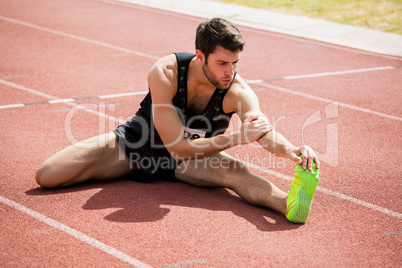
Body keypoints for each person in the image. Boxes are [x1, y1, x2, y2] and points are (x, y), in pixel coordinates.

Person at [36, 18, 320, 223]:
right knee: (48, 175)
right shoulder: (166, 72)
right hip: (138, 144)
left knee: (235, 172)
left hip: (191, 161)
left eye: (235, 63)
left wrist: (292, 150)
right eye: (222, 63)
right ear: (200, 56)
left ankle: (289, 202)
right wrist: (235, 138)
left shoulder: (238, 90)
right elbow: (176, 147)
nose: (230, 72)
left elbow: (261, 131)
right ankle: (119, 169)